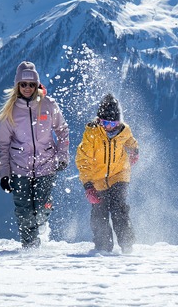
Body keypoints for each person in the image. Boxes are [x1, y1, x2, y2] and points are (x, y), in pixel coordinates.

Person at [0, 61, 70, 249]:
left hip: (46, 165)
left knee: (42, 209)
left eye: (31, 84)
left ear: (37, 85)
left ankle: (41, 222)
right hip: (19, 169)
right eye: (23, 84)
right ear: (17, 86)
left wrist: (62, 156)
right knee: (24, 211)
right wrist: (4, 174)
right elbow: (2, 145)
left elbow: (62, 130)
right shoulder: (11, 111)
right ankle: (31, 249)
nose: (27, 88)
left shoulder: (48, 105)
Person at [76, 93, 139, 254]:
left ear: (119, 121)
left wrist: (134, 150)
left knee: (119, 208)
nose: (109, 127)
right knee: (99, 213)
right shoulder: (92, 133)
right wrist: (88, 186)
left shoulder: (125, 130)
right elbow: (83, 160)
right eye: (105, 122)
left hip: (119, 174)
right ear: (99, 120)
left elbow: (131, 141)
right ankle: (103, 248)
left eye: (113, 122)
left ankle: (127, 245)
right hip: (97, 179)